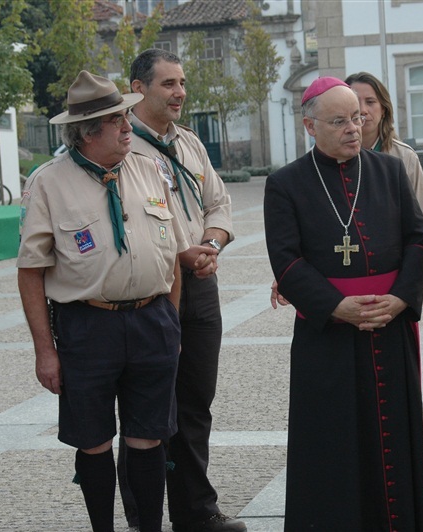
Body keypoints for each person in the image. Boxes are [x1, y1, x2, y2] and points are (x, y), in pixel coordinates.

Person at [264, 76, 423, 531]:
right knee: (333, 444)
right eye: (339, 120)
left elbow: (418, 239)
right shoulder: (285, 184)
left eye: (358, 118)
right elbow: (286, 262)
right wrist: (336, 306)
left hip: (390, 324)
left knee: (395, 439)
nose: (353, 129)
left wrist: (401, 298)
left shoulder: (388, 170)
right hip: (328, 337)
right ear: (310, 125)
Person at [17, 71, 188, 532]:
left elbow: (172, 253)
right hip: (87, 326)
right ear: (89, 131)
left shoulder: (151, 169)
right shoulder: (48, 183)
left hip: (152, 321)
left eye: (125, 115)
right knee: (92, 441)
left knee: (149, 438)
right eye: (116, 120)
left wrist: (170, 319)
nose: (128, 124)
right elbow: (30, 272)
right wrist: (44, 351)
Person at [121, 48, 244, 532]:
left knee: (195, 401)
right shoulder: (123, 145)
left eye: (182, 83)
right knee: (146, 409)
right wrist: (180, 253)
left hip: (199, 285)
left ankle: (196, 510)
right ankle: (142, 517)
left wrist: (210, 244)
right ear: (138, 87)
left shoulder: (189, 143)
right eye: (168, 84)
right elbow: (128, 224)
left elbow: (218, 202)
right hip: (151, 291)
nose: (180, 93)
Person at [344, 71, 423, 323]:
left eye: (371, 102)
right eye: (356, 102)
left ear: (384, 109)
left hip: (394, 271)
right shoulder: (330, 158)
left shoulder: (403, 158)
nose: (363, 110)